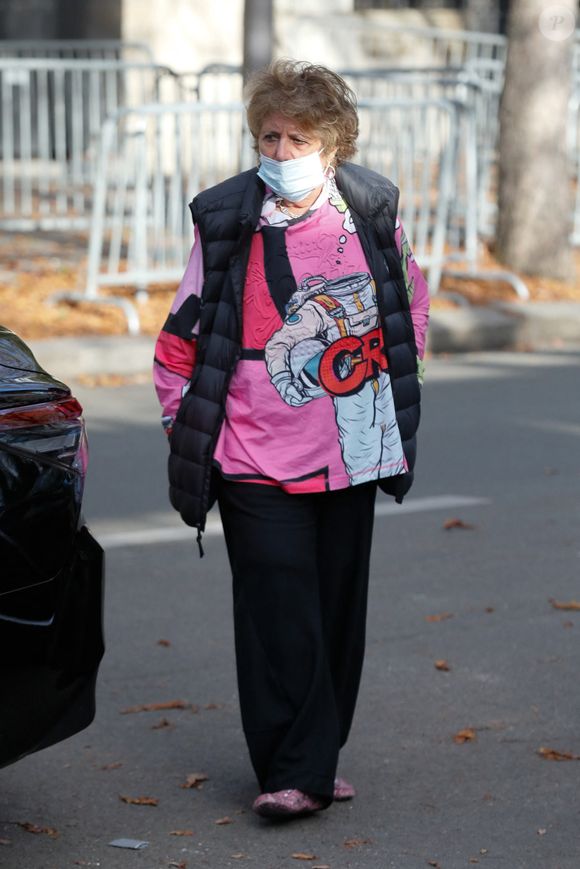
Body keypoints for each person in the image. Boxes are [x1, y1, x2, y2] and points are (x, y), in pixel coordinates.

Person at [153, 59, 429, 820]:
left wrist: (391, 379)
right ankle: (293, 771)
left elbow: (411, 299)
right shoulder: (227, 218)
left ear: (333, 144)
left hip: (350, 452)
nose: (280, 153)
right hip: (250, 452)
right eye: (269, 137)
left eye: (298, 139)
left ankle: (316, 756)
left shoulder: (370, 211)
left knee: (336, 612)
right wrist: (189, 431)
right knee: (277, 611)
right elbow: (179, 339)